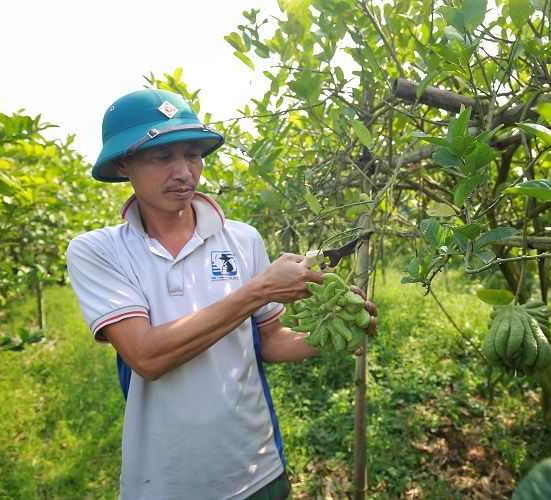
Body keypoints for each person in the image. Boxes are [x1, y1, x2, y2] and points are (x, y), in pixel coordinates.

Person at [65, 88, 377, 499]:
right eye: (162, 157)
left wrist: (330, 335)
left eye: (193, 155)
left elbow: (267, 341)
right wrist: (259, 290)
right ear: (124, 164)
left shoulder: (242, 239)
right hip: (164, 482)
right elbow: (147, 356)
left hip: (258, 467)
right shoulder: (98, 251)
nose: (184, 172)